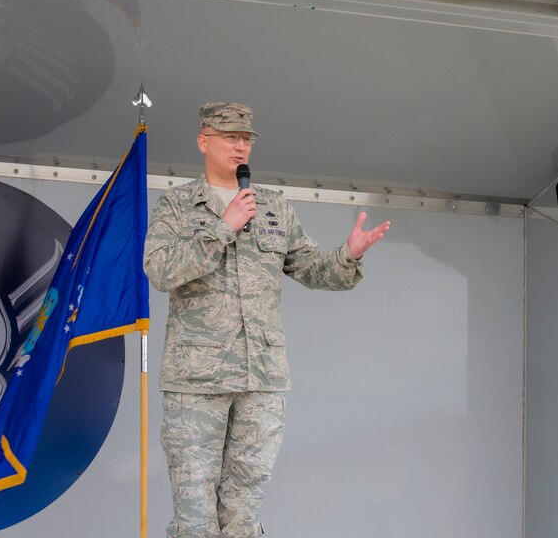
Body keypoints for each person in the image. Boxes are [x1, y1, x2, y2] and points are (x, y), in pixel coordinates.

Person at [143, 102, 389, 538]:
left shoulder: (273, 206)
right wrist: (224, 226)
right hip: (196, 382)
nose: (241, 146)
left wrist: (348, 254)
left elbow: (312, 269)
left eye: (246, 139)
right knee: (195, 517)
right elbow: (161, 271)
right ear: (204, 141)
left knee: (243, 515)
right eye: (230, 137)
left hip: (263, 381)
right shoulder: (178, 205)